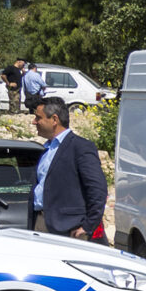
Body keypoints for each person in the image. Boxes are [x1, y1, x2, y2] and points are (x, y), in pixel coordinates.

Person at [30, 97, 107, 239]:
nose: (34, 122)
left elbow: (97, 189)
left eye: (38, 118)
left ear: (54, 119)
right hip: (40, 223)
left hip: (69, 228)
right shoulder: (46, 149)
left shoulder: (80, 147)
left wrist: (88, 226)